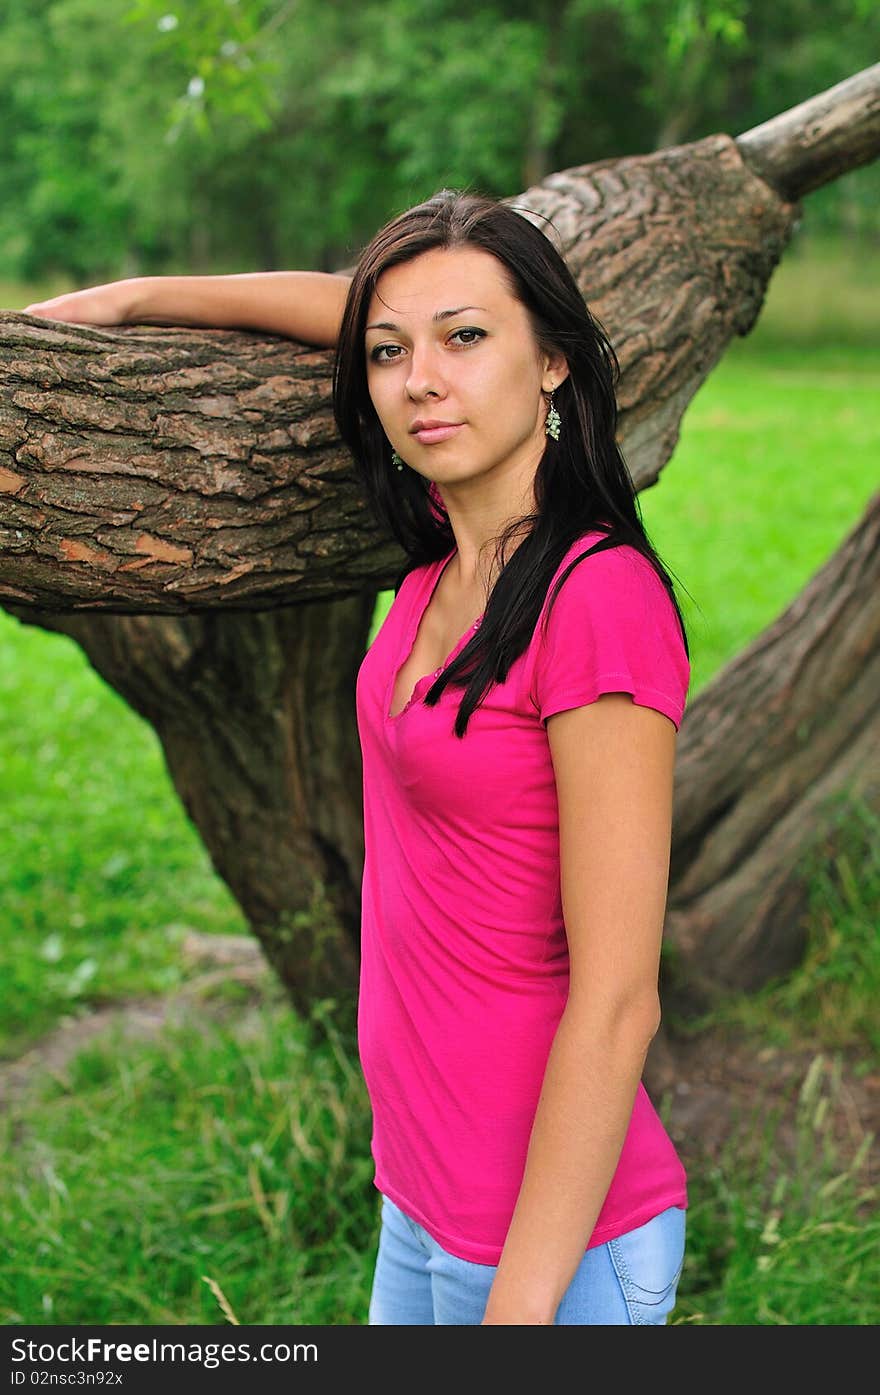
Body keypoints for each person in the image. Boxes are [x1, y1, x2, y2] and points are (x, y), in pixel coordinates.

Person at [24, 189, 692, 1326]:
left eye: (468, 339)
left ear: (554, 365)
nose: (421, 378)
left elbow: (621, 999)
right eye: (390, 354)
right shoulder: (437, 563)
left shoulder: (595, 600)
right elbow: (366, 311)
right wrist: (136, 299)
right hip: (418, 1201)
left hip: (553, 1249)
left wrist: (521, 1306)